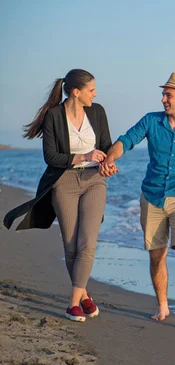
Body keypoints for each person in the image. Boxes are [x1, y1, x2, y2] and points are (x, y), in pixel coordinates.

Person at [101, 72, 175, 333]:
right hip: (152, 196)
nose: (163, 99)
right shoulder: (151, 121)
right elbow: (126, 141)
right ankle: (163, 305)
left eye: (168, 95)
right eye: (164, 94)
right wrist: (111, 158)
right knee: (157, 256)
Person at [3, 69, 113, 322]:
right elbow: (50, 157)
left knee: (88, 243)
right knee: (71, 244)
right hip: (63, 182)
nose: (95, 94)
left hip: (95, 180)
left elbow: (106, 146)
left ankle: (72, 304)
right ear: (76, 92)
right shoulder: (53, 116)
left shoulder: (97, 112)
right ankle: (84, 296)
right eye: (91, 90)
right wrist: (83, 156)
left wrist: (108, 162)